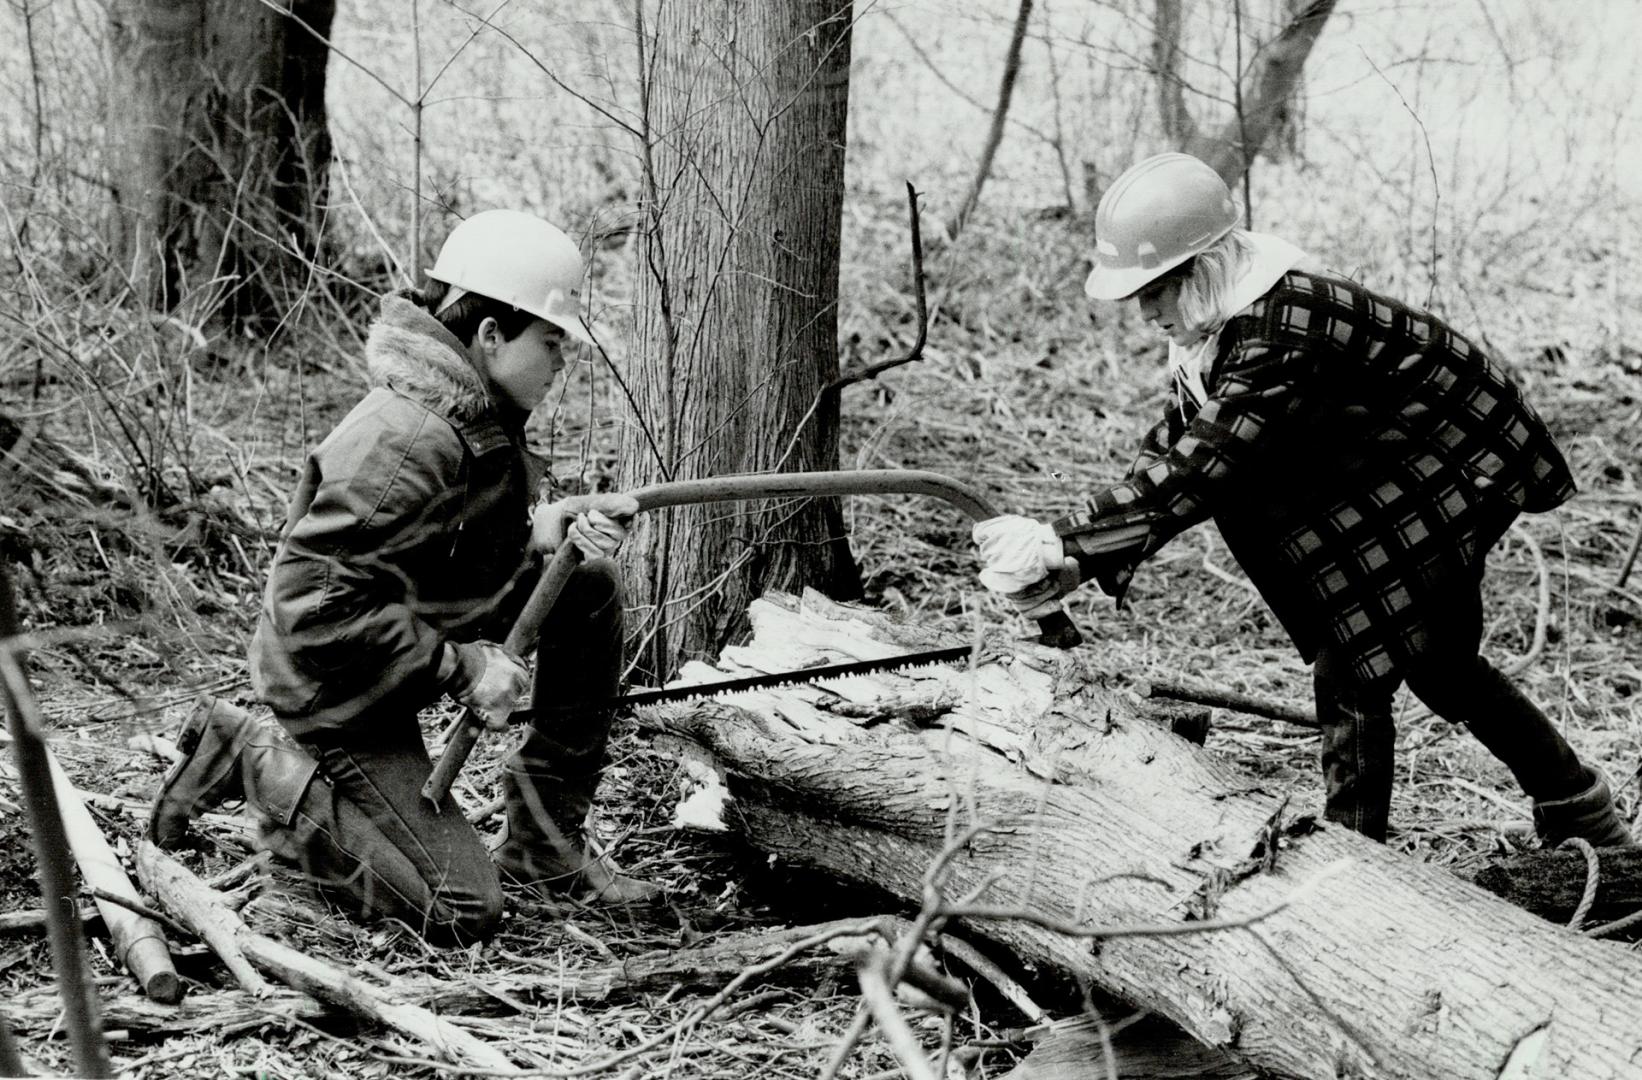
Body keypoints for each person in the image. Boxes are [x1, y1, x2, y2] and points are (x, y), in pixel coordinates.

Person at [973, 152, 1631, 848]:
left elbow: (1205, 466)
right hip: (1390, 467)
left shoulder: (1283, 330)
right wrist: (1078, 557)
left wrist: (1067, 540)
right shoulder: (1221, 322)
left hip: (1453, 464)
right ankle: (1576, 804)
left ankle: (1353, 868)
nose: (1145, 312)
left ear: (1203, 266)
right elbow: (1180, 437)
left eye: (1156, 290)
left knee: (1353, 662)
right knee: (1441, 666)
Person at [147, 209, 657, 946]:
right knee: (460, 910)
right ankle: (252, 755)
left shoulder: (470, 405)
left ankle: (545, 846)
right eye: (552, 343)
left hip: (388, 647)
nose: (561, 363)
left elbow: (429, 555)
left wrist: (540, 540)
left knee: (586, 585)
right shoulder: (408, 439)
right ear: (489, 336)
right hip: (337, 691)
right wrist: (462, 666)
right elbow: (315, 610)